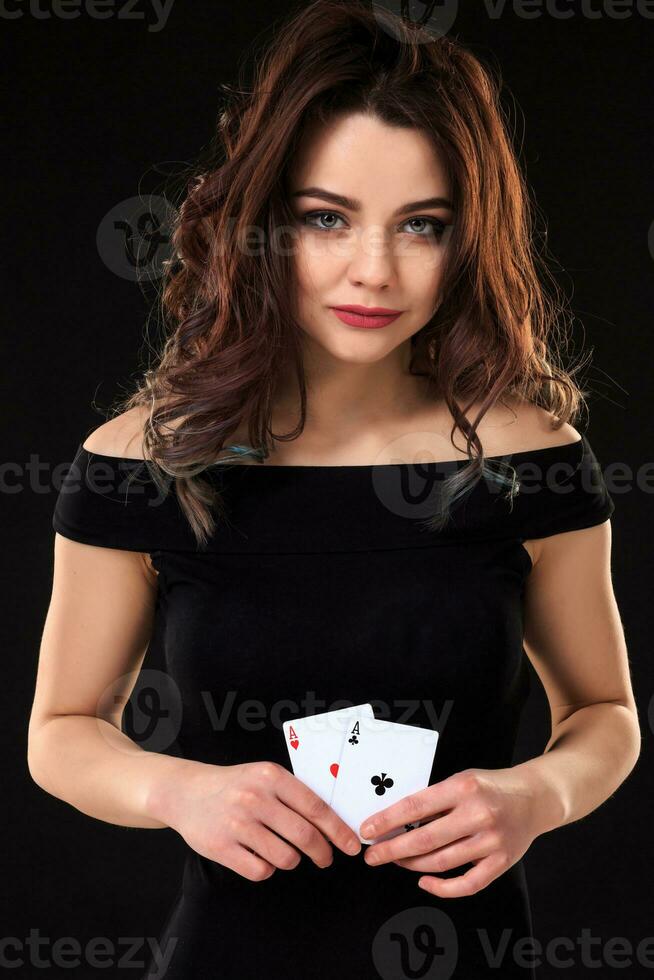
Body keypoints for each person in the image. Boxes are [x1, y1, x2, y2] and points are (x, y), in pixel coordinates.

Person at [28, 2, 639, 977]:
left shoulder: (534, 456)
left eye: (423, 227)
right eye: (326, 216)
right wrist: (179, 790)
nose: (375, 269)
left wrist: (541, 794)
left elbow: (605, 711)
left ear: (468, 238)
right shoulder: (139, 460)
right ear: (263, 217)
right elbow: (59, 733)